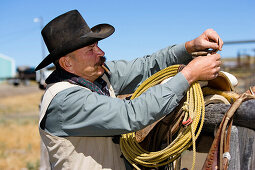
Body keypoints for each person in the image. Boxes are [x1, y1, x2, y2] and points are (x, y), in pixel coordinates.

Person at [36, 9, 223, 169]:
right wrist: (189, 75)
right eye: (90, 50)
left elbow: (146, 66)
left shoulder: (99, 76)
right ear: (67, 63)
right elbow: (132, 114)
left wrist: (190, 47)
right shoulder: (65, 101)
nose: (101, 53)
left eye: (97, 46)